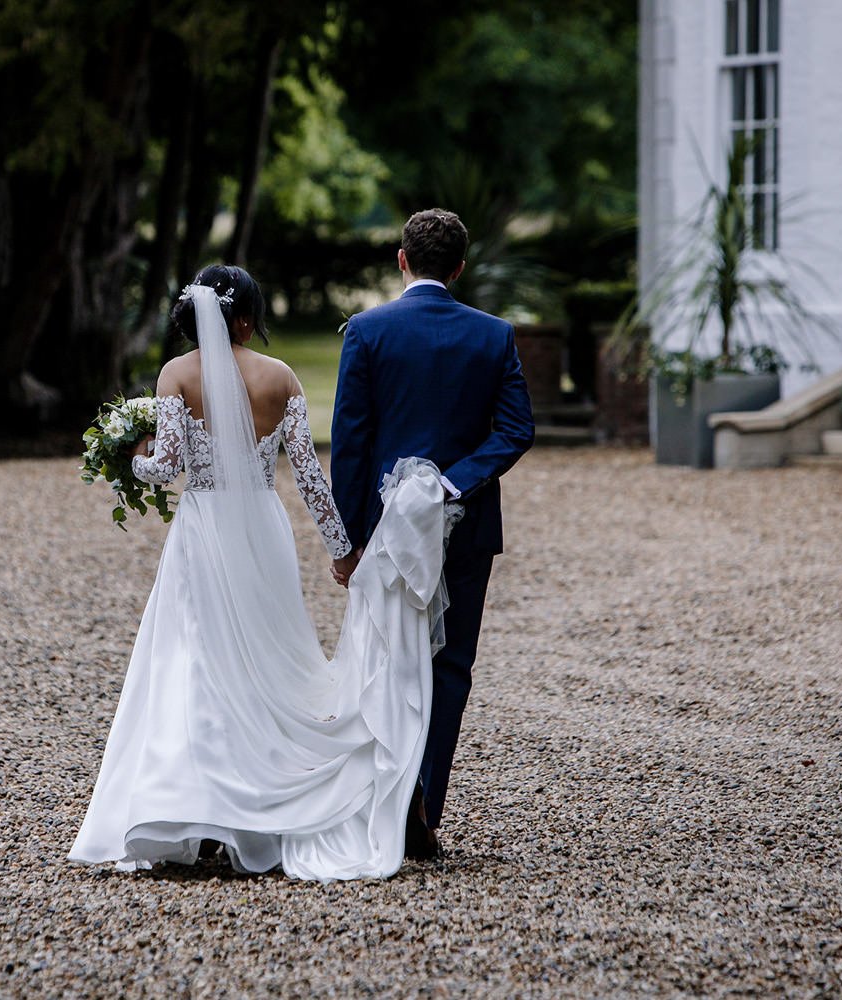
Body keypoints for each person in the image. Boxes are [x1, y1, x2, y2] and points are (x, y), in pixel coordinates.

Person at [69, 264, 454, 882]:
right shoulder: (282, 379)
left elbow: (166, 465)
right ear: (245, 318)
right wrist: (341, 550)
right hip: (265, 532)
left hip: (202, 529)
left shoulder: (176, 375)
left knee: (195, 660)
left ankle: (196, 815)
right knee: (267, 660)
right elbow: (307, 477)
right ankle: (260, 809)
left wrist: (131, 458)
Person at [330, 208, 535, 859]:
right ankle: (423, 806)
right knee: (450, 667)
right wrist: (454, 483)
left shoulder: (367, 331)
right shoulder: (494, 335)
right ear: (460, 267)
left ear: (401, 260)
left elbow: (352, 445)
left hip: (386, 533)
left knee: (387, 661)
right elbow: (515, 430)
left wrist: (350, 538)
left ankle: (377, 802)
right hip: (467, 525)